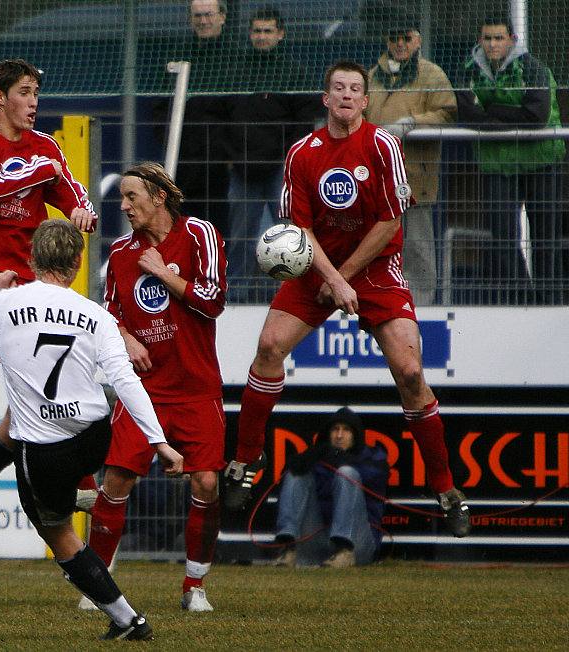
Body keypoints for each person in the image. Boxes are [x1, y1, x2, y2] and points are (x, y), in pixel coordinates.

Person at [221, 61, 471, 540]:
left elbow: (390, 223)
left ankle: (446, 491)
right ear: (325, 98)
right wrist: (332, 279)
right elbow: (301, 229)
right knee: (270, 347)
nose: (346, 96)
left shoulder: (383, 145)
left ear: (365, 99)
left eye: (355, 89)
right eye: (338, 88)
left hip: (374, 271)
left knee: (412, 372)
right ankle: (245, 461)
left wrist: (345, 279)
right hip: (316, 267)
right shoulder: (303, 153)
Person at [0, 219, 183, 640]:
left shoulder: (5, 303)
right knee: (21, 411)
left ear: (31, 260)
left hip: (46, 451)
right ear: (77, 262)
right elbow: (125, 381)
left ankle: (128, 621)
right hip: (92, 436)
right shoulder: (96, 314)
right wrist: (159, 441)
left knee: (57, 532)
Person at [0, 58, 97, 549]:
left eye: (36, 93)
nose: (34, 102)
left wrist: (79, 208)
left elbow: (75, 192)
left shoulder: (46, 147)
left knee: (54, 378)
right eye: (26, 92)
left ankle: (80, 482)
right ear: (0, 96)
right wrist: (42, 171)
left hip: (34, 281)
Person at [87, 162, 226, 612]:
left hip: (196, 386)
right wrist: (126, 338)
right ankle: (98, 586)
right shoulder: (121, 253)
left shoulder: (200, 234)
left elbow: (214, 302)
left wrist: (164, 272)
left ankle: (194, 588)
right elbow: (108, 315)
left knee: (206, 482)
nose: (124, 206)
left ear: (160, 196)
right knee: (116, 479)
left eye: (132, 197)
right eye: (122, 198)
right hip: (142, 390)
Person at [456, 13, 565, 305]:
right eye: (487, 38)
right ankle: (521, 299)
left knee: (545, 235)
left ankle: (549, 301)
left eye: (499, 38)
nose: (492, 44)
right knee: (502, 234)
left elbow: (537, 117)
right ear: (480, 40)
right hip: (497, 164)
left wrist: (490, 110)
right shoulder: (469, 70)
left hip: (541, 161)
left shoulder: (533, 68)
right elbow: (467, 114)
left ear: (511, 40)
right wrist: (509, 116)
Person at [223, 6, 324, 303]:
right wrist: (230, 156)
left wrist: (289, 160)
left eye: (268, 31)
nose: (262, 36)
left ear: (280, 34)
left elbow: (305, 123)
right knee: (240, 236)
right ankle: (236, 296)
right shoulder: (233, 71)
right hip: (242, 171)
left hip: (281, 170)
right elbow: (223, 118)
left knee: (292, 235)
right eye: (257, 31)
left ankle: (294, 294)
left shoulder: (296, 72)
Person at [365, 20, 457, 306]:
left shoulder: (433, 75)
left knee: (417, 246)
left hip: (415, 177)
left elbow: (448, 114)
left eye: (406, 38)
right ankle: (377, 300)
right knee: (374, 244)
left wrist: (412, 124)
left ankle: (421, 306)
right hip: (377, 179)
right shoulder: (372, 76)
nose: (400, 44)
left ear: (418, 40)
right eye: (394, 38)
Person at [151, 0, 233, 235]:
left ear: (222, 17)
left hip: (222, 169)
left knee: (221, 232)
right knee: (182, 229)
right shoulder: (177, 55)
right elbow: (160, 106)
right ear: (189, 19)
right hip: (183, 164)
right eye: (197, 16)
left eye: (208, 14)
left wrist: (228, 154)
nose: (203, 21)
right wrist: (170, 145)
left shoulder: (237, 57)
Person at [274, 407, 388, 568]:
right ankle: (288, 547)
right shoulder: (319, 458)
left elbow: (375, 478)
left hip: (358, 543)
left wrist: (341, 458)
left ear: (356, 435)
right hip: (319, 540)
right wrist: (309, 457)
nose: (339, 435)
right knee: (296, 473)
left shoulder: (374, 457)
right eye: (335, 429)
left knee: (347, 472)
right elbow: (288, 477)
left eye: (346, 430)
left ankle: (344, 552)